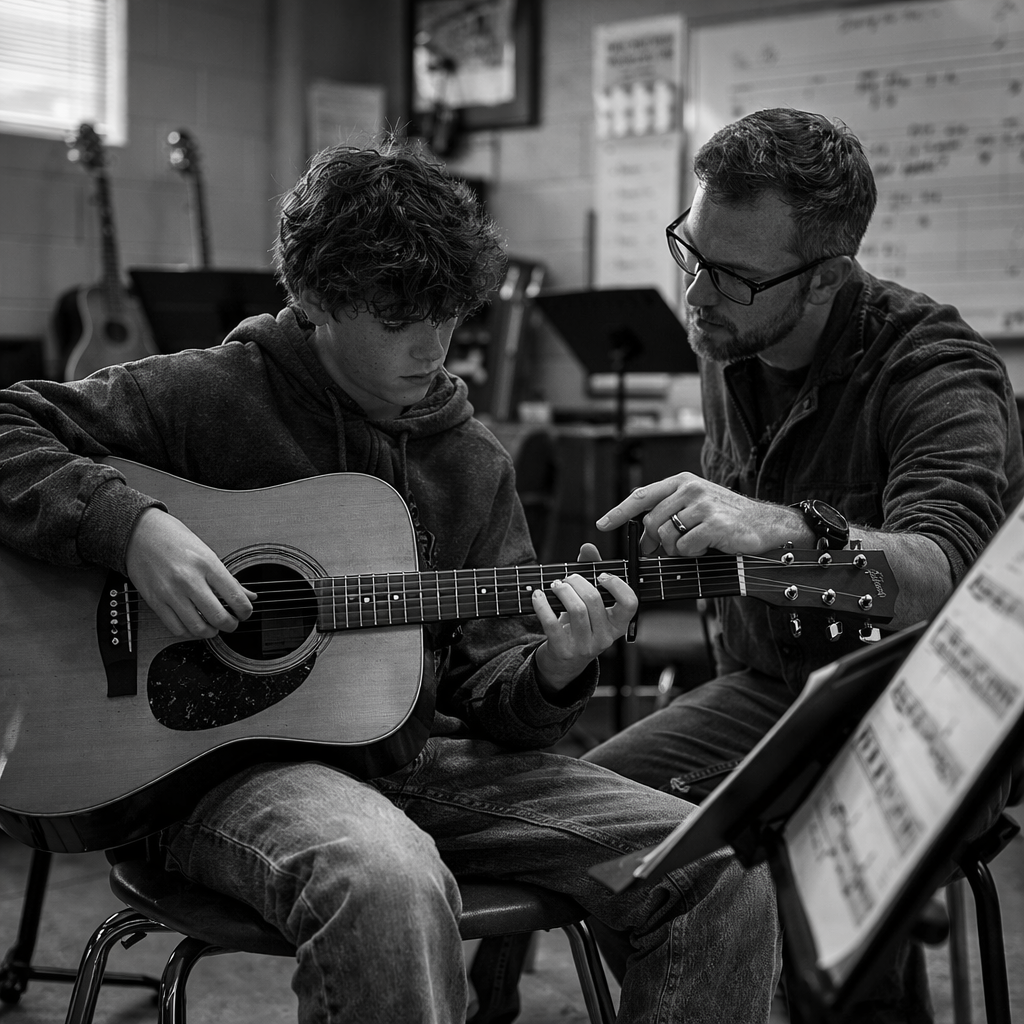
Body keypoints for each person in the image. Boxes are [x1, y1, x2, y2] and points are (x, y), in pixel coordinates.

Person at [0, 140, 782, 1024]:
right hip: (211, 771)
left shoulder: (470, 462)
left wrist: (556, 668)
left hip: (409, 757)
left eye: (449, 315)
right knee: (388, 877)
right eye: (398, 320)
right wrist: (132, 528)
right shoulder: (205, 396)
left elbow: (494, 695)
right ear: (316, 300)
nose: (434, 346)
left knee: (716, 863)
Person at [470, 107, 1024, 1024]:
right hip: (769, 690)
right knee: (568, 822)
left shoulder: (936, 367)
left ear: (827, 279)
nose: (694, 294)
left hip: (919, 715)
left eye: (730, 274)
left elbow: (942, 572)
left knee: (817, 887)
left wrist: (781, 528)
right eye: (689, 250)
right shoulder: (728, 337)